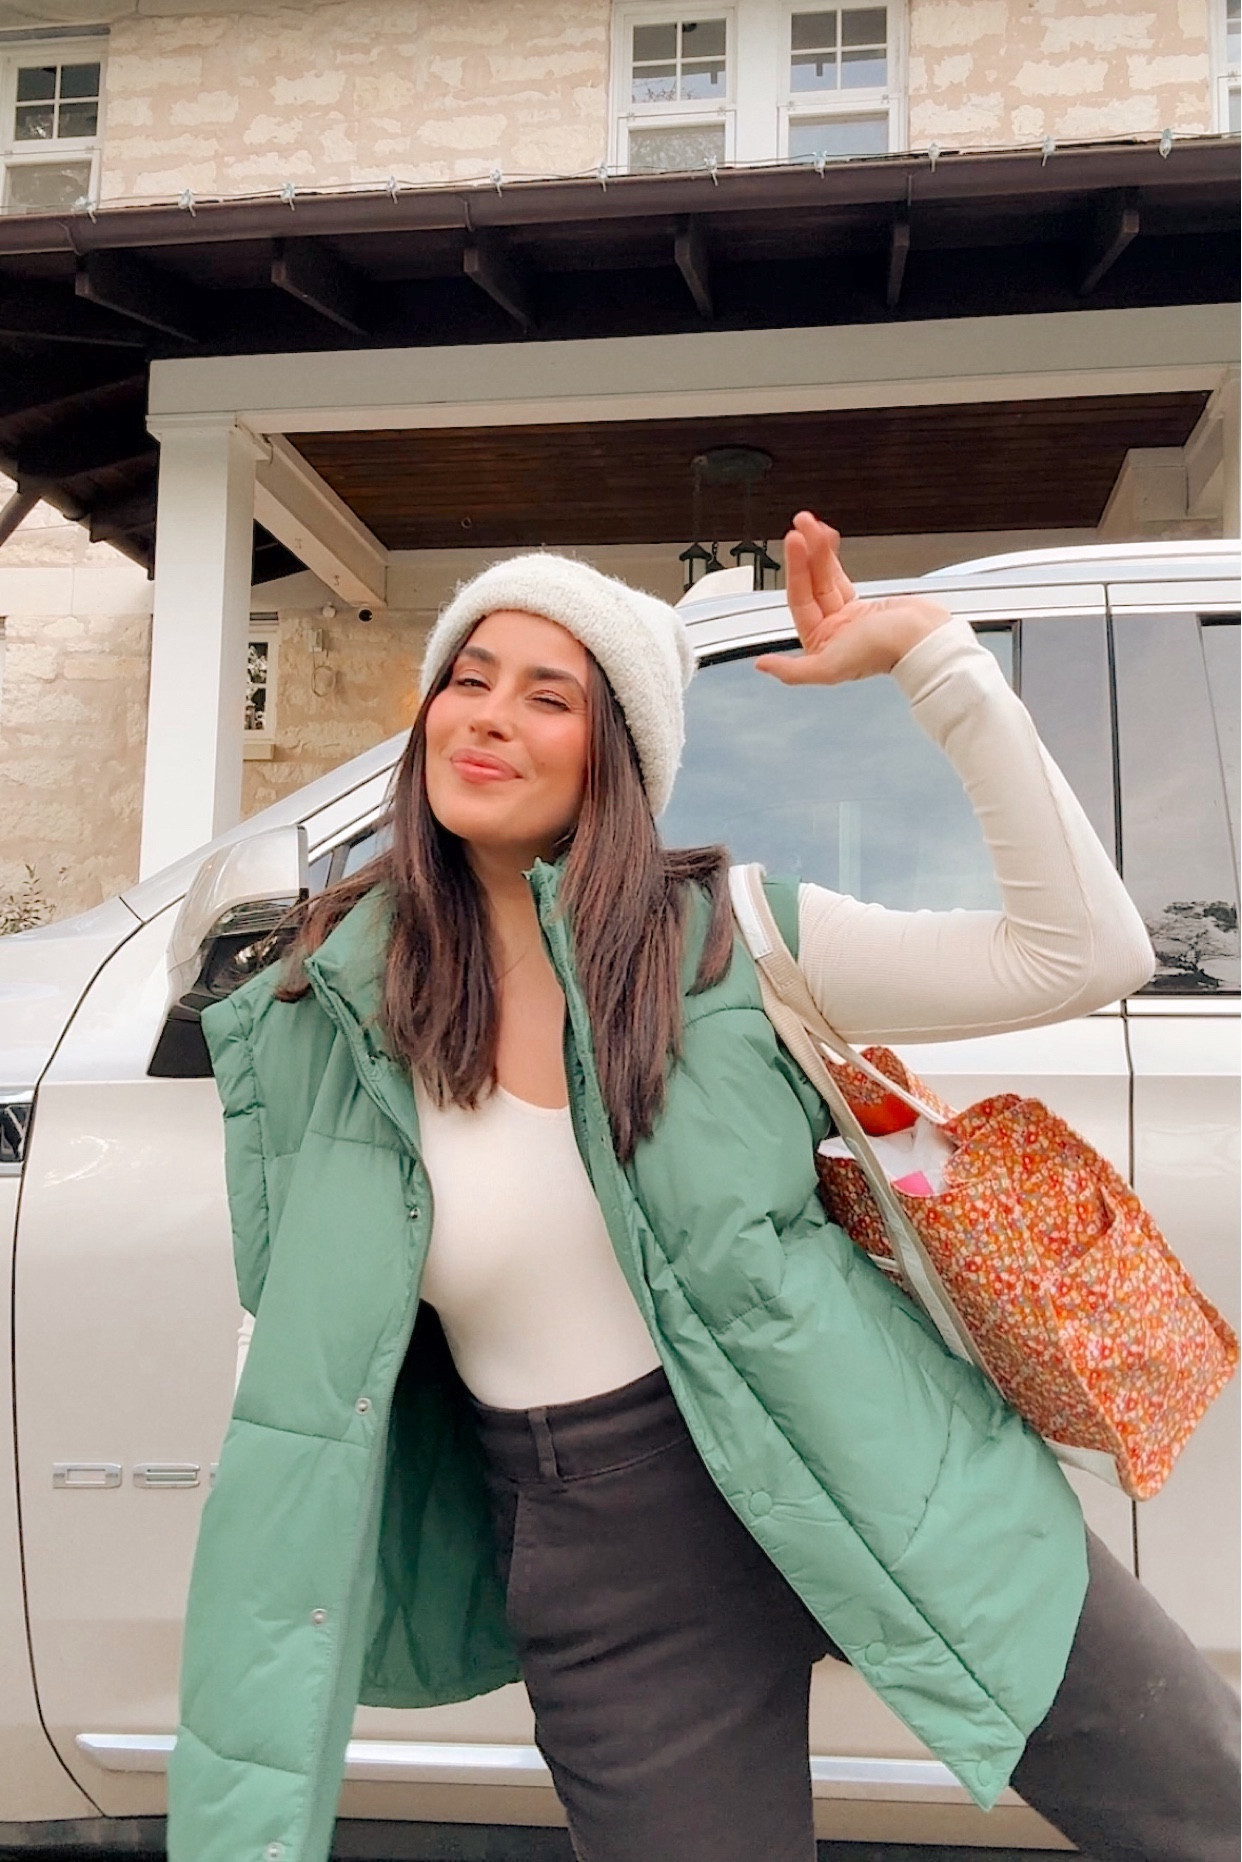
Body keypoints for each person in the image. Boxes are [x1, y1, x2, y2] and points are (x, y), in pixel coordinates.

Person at [168, 514, 1239, 1862]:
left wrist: (930, 658)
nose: (488, 716)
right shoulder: (320, 1008)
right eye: (469, 676)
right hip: (604, 1550)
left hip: (865, 1445)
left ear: (613, 753)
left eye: (546, 694)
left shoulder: (729, 937)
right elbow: (294, 1355)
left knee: (1206, 1806)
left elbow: (1078, 951)